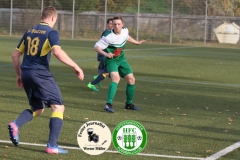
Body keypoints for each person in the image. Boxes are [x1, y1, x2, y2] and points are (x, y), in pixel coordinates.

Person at [8, 6, 84, 154]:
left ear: (41, 17)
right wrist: (75, 65)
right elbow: (57, 52)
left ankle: (15, 124)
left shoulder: (29, 32)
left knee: (38, 109)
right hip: (40, 73)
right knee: (58, 107)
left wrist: (19, 75)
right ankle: (52, 145)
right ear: (53, 18)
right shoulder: (51, 32)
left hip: (26, 73)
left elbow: (15, 55)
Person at [94, 16, 146, 113]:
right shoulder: (108, 36)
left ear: (122, 25)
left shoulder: (125, 31)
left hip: (121, 59)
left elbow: (126, 37)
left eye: (118, 24)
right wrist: (106, 54)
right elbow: (96, 47)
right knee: (116, 78)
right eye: (114, 24)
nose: (116, 26)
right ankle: (108, 104)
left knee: (131, 79)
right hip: (111, 60)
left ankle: (129, 104)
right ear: (112, 25)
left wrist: (137, 42)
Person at [87, 18, 113, 91]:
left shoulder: (110, 32)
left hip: (105, 55)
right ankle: (92, 83)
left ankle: (97, 78)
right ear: (107, 24)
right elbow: (103, 45)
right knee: (107, 72)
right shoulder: (106, 32)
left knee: (107, 72)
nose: (112, 25)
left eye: (112, 24)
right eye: (110, 24)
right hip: (104, 56)